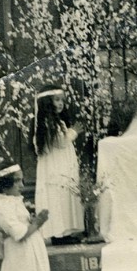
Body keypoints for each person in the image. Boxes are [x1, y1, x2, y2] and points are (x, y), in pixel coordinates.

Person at [33, 85, 85, 244]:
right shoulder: (48, 123)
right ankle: (58, 234)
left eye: (62, 100)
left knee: (64, 195)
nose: (61, 103)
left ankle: (66, 231)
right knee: (58, 195)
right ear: (48, 102)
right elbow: (60, 142)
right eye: (57, 100)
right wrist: (74, 132)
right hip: (56, 167)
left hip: (62, 163)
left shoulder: (57, 122)